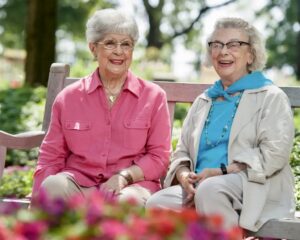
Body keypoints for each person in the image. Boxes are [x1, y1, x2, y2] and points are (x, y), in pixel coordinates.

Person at [146, 17, 295, 231]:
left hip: (253, 185)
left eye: (234, 44)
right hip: (203, 186)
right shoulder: (204, 100)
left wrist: (221, 172)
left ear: (251, 54)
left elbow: (274, 155)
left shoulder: (270, 97)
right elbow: (182, 152)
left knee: (210, 190)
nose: (223, 51)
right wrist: (184, 176)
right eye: (217, 45)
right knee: (157, 204)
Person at [32, 8, 171, 206]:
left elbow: (159, 157)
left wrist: (124, 176)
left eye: (126, 44)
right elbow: (51, 157)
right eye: (110, 43)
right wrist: (37, 199)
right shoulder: (68, 98)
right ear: (93, 48)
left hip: (130, 186)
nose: (119, 51)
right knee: (53, 186)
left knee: (127, 202)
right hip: (79, 185)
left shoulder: (154, 96)